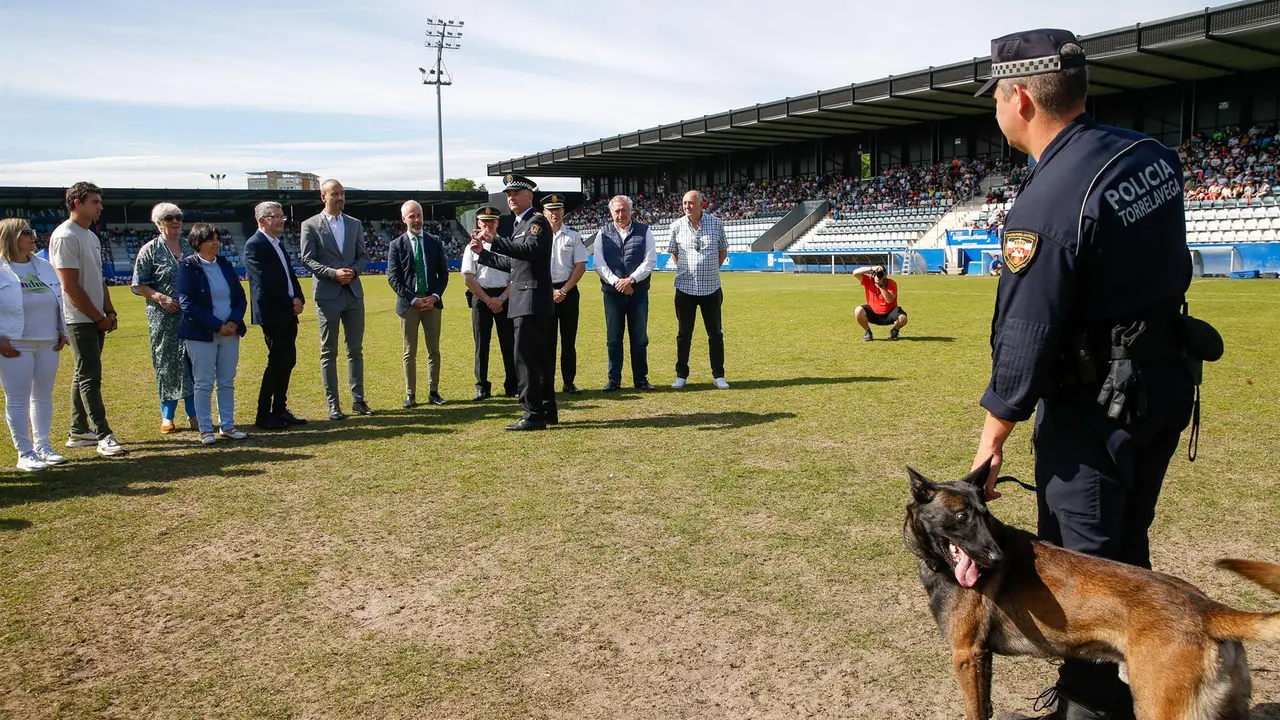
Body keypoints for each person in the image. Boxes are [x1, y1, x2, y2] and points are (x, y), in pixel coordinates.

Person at [970, 30, 1196, 720]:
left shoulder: (1047, 201)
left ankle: (1092, 706)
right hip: (1161, 384)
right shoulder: (1149, 156)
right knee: (1127, 542)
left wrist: (992, 437)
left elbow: (1026, 333)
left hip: (1096, 407)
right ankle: (1132, 682)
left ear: (1020, 98)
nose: (996, 110)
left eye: (996, 97)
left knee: (1084, 562)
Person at [469, 175, 556, 430]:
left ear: (530, 196)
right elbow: (513, 263)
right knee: (537, 357)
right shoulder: (521, 225)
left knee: (526, 357)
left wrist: (493, 240)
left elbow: (530, 251)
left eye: (516, 193)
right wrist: (483, 254)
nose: (511, 198)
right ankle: (545, 410)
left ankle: (533, 414)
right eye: (508, 194)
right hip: (526, 297)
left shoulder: (536, 221)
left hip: (530, 298)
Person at [48, 181, 127, 457]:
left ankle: (79, 430)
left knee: (83, 373)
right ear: (77, 203)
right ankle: (103, 434)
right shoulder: (65, 236)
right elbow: (70, 286)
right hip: (78, 318)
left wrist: (109, 311)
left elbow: (98, 278)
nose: (100, 207)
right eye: (95, 202)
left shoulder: (90, 236)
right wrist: (97, 317)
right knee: (90, 376)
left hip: (94, 317)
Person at [0, 219, 69, 471]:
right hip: (15, 344)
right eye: (26, 232)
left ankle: (43, 446)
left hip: (48, 341)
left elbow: (58, 299)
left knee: (43, 396)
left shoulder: (45, 266)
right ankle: (25, 452)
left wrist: (61, 330)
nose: (33, 236)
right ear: (10, 236)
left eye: (33, 232)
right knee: (18, 398)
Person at [300, 178, 372, 420]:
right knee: (329, 352)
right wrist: (333, 273)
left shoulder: (354, 224)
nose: (340, 198)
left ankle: (358, 400)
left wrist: (354, 271)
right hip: (328, 295)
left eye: (342, 193)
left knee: (355, 350)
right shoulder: (310, 225)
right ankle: (333, 405)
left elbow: (362, 256)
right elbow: (307, 259)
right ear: (324, 197)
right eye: (335, 194)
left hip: (353, 294)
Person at [176, 224, 248, 445]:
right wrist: (217, 326)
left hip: (230, 333)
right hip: (200, 334)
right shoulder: (188, 266)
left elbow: (240, 297)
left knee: (226, 380)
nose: (215, 243)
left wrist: (233, 322)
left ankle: (227, 426)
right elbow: (187, 303)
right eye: (210, 239)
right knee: (203, 382)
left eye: (217, 238)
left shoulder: (225, 264)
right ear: (197, 242)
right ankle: (206, 429)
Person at [131, 202, 196, 434]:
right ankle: (167, 416)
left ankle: (195, 413)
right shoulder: (150, 250)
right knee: (167, 364)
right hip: (164, 318)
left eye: (178, 217)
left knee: (193, 363)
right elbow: (139, 283)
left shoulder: (190, 247)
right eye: (169, 218)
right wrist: (161, 298)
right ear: (159, 223)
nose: (175, 221)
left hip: (192, 317)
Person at [244, 202, 307, 431]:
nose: (281, 220)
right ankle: (263, 415)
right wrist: (291, 301)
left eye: (282, 216)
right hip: (273, 313)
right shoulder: (255, 245)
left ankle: (279, 409)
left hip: (287, 311)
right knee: (277, 362)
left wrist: (299, 297)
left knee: (288, 361)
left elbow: (290, 276)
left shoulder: (277, 243)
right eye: (276, 216)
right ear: (262, 220)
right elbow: (264, 282)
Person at [386, 200, 448, 408]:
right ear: (404, 219)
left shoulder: (434, 242)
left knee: (434, 350)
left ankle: (434, 391)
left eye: (419, 215)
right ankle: (410, 394)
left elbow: (443, 274)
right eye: (412, 216)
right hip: (408, 305)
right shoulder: (396, 245)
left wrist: (435, 296)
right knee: (409, 352)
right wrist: (413, 299)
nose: (416, 220)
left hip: (432, 304)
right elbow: (393, 278)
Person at [666, 190, 730, 389]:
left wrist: (711, 269)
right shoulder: (676, 226)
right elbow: (674, 253)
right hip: (685, 289)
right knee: (684, 334)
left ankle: (718, 375)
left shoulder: (716, 224)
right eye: (684, 203)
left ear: (701, 204)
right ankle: (681, 375)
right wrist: (687, 270)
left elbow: (723, 250)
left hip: (711, 288)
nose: (687, 206)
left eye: (691, 203)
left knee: (715, 334)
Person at [594, 195, 656, 391]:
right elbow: (599, 264)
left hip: (638, 293)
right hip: (612, 294)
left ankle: (641, 379)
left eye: (624, 210)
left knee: (639, 338)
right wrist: (617, 282)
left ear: (631, 211)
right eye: (617, 211)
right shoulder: (602, 233)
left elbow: (650, 261)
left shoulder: (644, 231)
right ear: (611, 212)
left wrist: (630, 280)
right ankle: (614, 380)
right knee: (613, 339)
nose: (620, 214)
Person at [462, 205, 516, 403]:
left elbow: (515, 277)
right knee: (481, 344)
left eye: (492, 221)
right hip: (481, 297)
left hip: (505, 297)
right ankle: (482, 386)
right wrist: (488, 300)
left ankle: (513, 385)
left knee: (509, 343)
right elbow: (468, 278)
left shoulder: (506, 245)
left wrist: (501, 298)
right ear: (478, 223)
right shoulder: (471, 247)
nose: (488, 225)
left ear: (497, 223)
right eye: (484, 221)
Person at [543, 193, 588, 394]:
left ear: (563, 211)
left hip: (568, 291)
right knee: (547, 342)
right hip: (545, 291)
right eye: (551, 210)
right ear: (544, 212)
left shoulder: (573, 236)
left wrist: (563, 290)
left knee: (568, 341)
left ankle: (569, 382)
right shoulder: (538, 236)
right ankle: (547, 383)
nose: (555, 213)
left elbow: (580, 266)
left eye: (558, 209)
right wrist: (550, 291)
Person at [852, 265, 908, 341]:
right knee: (858, 310)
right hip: (874, 313)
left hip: (889, 313)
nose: (879, 276)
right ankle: (868, 332)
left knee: (903, 318)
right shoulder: (869, 280)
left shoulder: (891, 283)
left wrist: (881, 285)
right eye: (877, 274)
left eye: (881, 274)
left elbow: (889, 300)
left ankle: (895, 331)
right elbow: (855, 273)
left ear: (885, 275)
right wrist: (872, 268)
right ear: (873, 274)